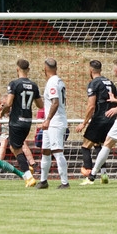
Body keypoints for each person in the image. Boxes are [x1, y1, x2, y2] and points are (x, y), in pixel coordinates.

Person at [0, 59, 43, 175]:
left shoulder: (14, 84)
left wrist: (2, 113)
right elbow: (40, 105)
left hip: (16, 121)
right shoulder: (34, 85)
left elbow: (9, 103)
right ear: (28, 69)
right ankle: (28, 167)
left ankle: (27, 175)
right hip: (27, 122)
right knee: (18, 146)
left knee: (15, 148)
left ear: (17, 69)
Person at [76, 59, 117, 180]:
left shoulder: (94, 83)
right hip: (111, 119)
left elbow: (91, 106)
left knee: (85, 146)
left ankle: (88, 173)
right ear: (101, 69)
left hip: (99, 118)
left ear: (90, 70)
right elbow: (116, 100)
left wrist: (84, 123)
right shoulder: (110, 82)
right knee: (98, 145)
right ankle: (104, 174)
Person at [37, 58, 70, 189]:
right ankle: (43, 181)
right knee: (45, 150)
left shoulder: (52, 82)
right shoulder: (59, 81)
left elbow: (55, 102)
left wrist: (48, 119)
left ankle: (65, 182)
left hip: (55, 122)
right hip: (52, 122)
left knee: (57, 151)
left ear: (45, 69)